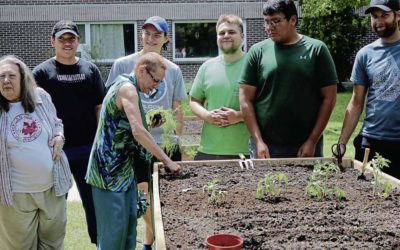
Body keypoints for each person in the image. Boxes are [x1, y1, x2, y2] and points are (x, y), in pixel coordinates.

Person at [106, 16, 187, 249]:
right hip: (133, 144)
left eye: (157, 35)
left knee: (164, 198)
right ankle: (160, 240)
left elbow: (177, 109)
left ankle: (150, 244)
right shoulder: (123, 64)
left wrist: (176, 141)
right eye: (147, 33)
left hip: (165, 144)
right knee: (142, 198)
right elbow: (112, 104)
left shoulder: (173, 70)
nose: (151, 39)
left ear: (166, 39)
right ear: (141, 35)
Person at [86, 52, 181, 250]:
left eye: (160, 83)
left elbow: (129, 126)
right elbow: (138, 132)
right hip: (107, 175)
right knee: (113, 238)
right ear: (141, 70)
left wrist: (151, 122)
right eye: (155, 80)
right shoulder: (127, 88)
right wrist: (167, 160)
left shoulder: (132, 89)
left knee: (129, 233)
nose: (156, 86)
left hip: (124, 172)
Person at [32, 20, 105, 244]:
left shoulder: (90, 69)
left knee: (93, 204)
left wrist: (101, 143)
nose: (67, 43)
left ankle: (99, 242)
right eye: (61, 39)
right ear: (52, 41)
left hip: (87, 149)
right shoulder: (41, 73)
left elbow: (99, 108)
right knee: (54, 206)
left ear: (78, 41)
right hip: (54, 151)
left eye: (71, 38)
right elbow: (32, 110)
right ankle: (51, 245)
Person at [239, 0, 338, 158]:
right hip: (266, 145)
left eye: (276, 21)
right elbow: (245, 99)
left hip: (305, 145)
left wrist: (312, 140)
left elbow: (330, 97)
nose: (270, 27)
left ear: (293, 20)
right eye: (266, 22)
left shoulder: (316, 49)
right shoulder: (257, 52)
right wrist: (258, 141)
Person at [0, 55, 72, 249]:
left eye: (11, 76)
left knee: (53, 243)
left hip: (52, 189)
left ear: (23, 78)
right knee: (19, 246)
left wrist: (59, 136)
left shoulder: (41, 96)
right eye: (1, 77)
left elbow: (57, 123)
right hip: (15, 195)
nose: (6, 81)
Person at [338, 0, 400, 179]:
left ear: (398, 16)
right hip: (371, 142)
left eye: (384, 15)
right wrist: (342, 143)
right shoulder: (365, 55)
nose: (379, 21)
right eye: (374, 16)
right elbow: (356, 102)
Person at [189, 14, 250, 160]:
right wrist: (208, 116)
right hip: (209, 150)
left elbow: (265, 106)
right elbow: (194, 101)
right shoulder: (207, 67)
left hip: (247, 150)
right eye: (221, 33)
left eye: (231, 32)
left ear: (242, 36)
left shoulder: (253, 65)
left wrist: (239, 116)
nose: (226, 36)